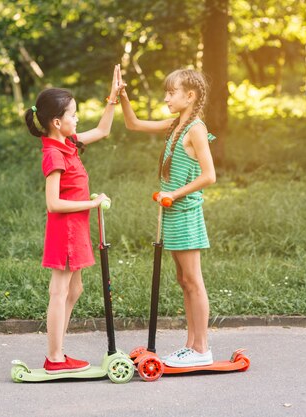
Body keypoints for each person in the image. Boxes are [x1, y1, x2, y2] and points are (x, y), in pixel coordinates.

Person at [24, 65, 122, 374]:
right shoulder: (54, 154)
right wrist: (91, 203)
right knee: (60, 291)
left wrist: (113, 98)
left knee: (74, 290)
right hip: (65, 229)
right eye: (73, 114)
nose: (77, 119)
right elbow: (52, 204)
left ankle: (58, 351)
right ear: (57, 122)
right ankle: (55, 358)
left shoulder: (68, 144)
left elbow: (104, 131)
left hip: (76, 228)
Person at [118, 68, 216, 367]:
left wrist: (175, 194)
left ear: (190, 95)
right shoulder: (176, 125)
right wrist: (122, 96)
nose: (166, 98)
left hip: (185, 212)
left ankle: (201, 349)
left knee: (193, 281)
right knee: (183, 279)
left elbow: (209, 176)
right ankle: (191, 345)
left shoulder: (196, 129)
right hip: (173, 213)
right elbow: (133, 124)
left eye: (172, 93)